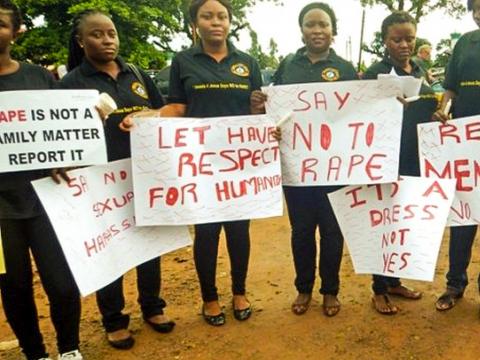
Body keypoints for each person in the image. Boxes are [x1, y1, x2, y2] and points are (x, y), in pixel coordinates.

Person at [123, 0, 262, 326]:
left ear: (230, 22)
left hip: (239, 163)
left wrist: (261, 109)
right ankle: (210, 298)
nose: (216, 22)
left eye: (222, 16)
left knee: (240, 231)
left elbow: (257, 111)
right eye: (207, 16)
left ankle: (239, 292)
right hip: (199, 164)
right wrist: (145, 117)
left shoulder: (248, 62)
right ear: (195, 24)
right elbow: (178, 108)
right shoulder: (183, 60)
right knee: (208, 232)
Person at [60, 10, 174, 349]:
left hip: (143, 174)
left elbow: (163, 111)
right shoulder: (71, 84)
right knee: (111, 249)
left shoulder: (136, 73)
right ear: (81, 41)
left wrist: (147, 115)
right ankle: (114, 319)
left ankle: (152, 307)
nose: (107, 40)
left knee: (149, 243)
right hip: (100, 182)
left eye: (111, 33)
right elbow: (62, 137)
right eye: (97, 35)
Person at [250, 2, 357, 317]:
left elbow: (360, 112)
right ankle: (303, 288)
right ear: (302, 30)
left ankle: (330, 290)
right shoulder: (287, 66)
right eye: (311, 24)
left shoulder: (347, 68)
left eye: (323, 24)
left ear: (333, 30)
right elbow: (276, 109)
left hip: (335, 166)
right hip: (298, 166)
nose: (317, 30)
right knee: (301, 230)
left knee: (333, 231)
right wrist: (261, 105)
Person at [0, 1, 83, 359]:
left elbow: (61, 132)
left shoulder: (38, 77)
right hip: (0, 211)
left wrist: (62, 155)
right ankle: (35, 353)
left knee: (63, 284)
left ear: (16, 32)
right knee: (14, 286)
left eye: (0, 24)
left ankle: (69, 349)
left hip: (45, 199)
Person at [362, 11, 438, 315]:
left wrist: (437, 115)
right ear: (385, 41)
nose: (404, 44)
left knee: (403, 221)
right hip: (383, 160)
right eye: (397, 39)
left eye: (409, 38)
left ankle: (394, 282)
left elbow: (427, 110)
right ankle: (378, 289)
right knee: (383, 223)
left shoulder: (420, 69)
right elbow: (362, 115)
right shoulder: (374, 73)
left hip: (413, 158)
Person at [433, 0, 480, 312]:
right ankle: (454, 284)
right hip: (465, 147)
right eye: (475, 8)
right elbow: (450, 89)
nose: (479, 14)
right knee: (463, 216)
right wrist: (444, 110)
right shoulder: (465, 44)